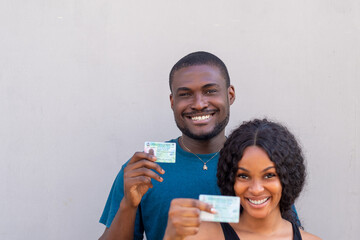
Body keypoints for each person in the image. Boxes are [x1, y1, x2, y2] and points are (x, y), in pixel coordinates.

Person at [99, 51, 236, 240]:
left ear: (230, 95)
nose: (198, 104)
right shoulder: (145, 168)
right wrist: (128, 205)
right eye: (185, 94)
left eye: (210, 91)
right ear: (173, 102)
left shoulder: (256, 165)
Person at [163, 119, 321, 240]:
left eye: (269, 175)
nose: (256, 189)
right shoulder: (202, 235)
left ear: (288, 178)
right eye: (243, 176)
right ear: (230, 179)